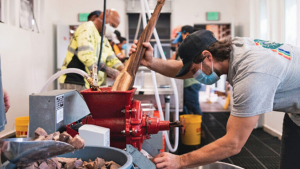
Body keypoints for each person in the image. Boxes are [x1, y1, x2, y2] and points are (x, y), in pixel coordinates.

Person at [129, 30, 300, 169]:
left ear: (208, 56)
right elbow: (185, 68)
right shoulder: (234, 48)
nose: (195, 76)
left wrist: (180, 161)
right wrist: (151, 62)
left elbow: (233, 143)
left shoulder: (252, 76)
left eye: (195, 70)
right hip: (295, 115)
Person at [59, 9, 124, 92]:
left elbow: (112, 59)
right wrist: (110, 71)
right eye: (112, 25)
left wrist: (124, 71)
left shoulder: (103, 39)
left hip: (88, 82)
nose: (112, 29)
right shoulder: (86, 28)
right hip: (75, 81)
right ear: (104, 17)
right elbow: (87, 57)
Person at [171, 25, 202, 115]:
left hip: (191, 83)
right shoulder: (185, 45)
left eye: (180, 33)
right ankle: (189, 127)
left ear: (186, 34)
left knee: (193, 106)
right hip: (187, 83)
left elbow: (180, 63)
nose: (178, 36)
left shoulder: (190, 46)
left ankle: (198, 127)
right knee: (186, 107)